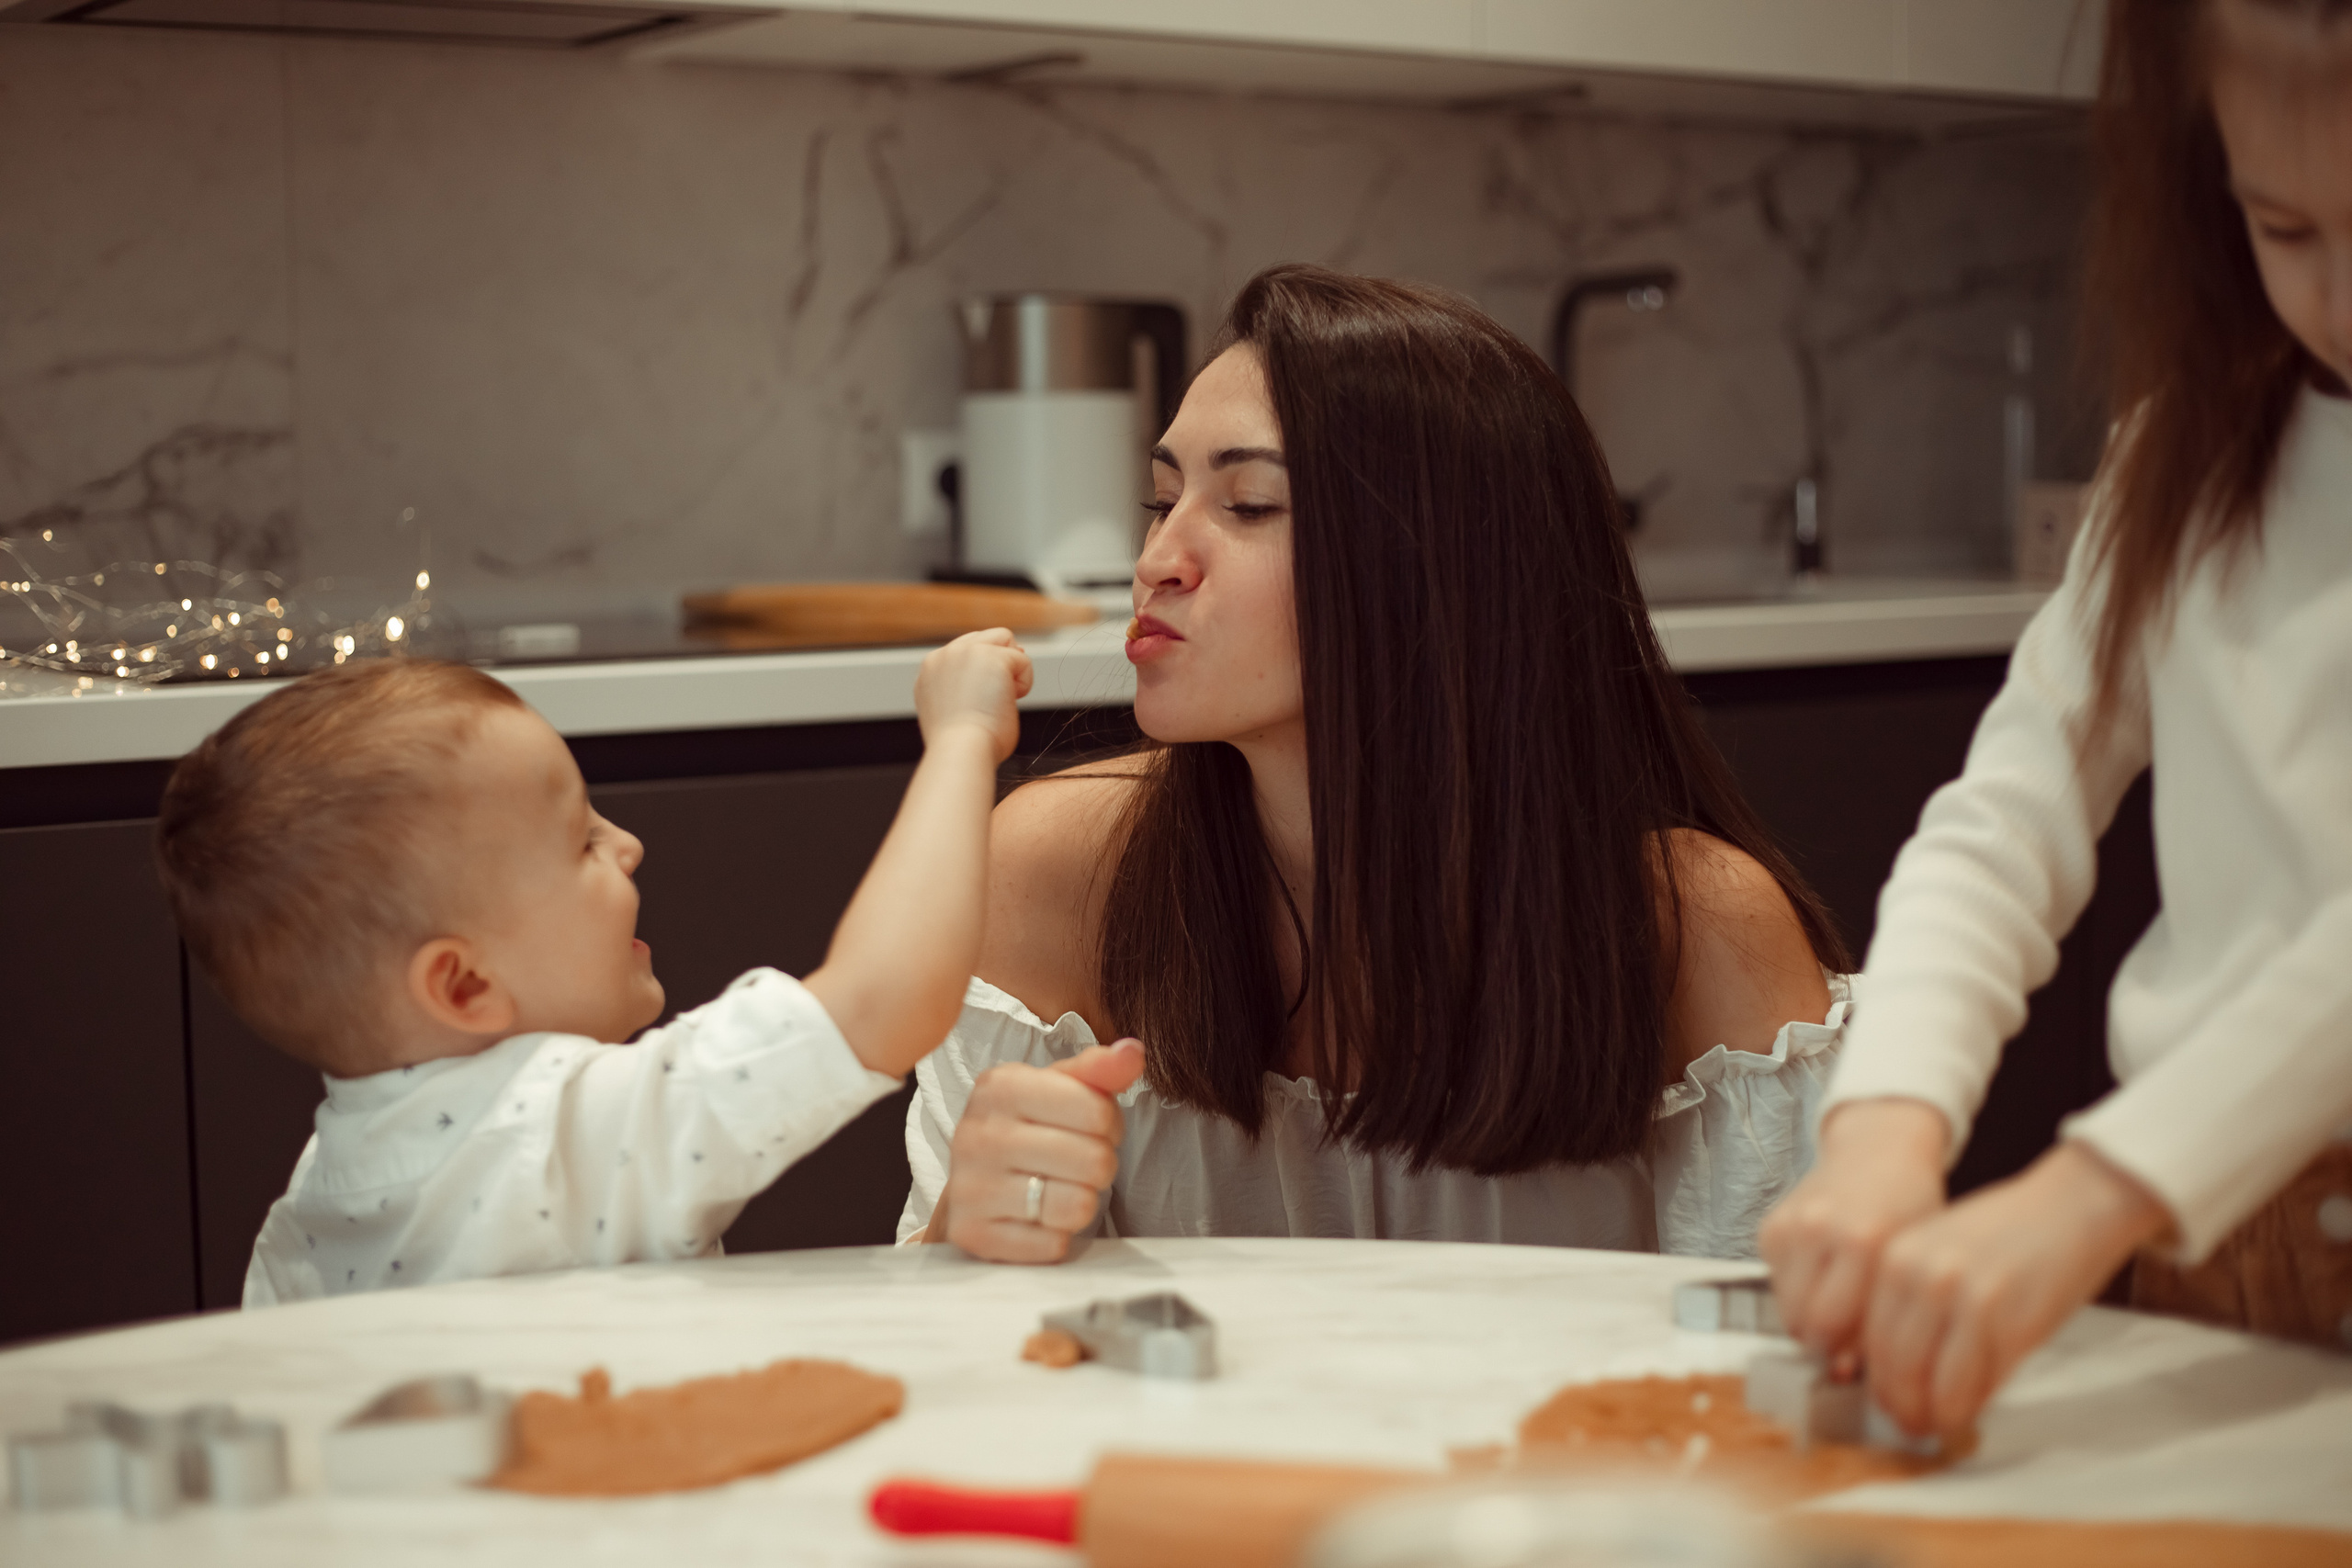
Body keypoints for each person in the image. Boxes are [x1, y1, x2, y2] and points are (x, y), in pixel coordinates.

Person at [899, 263, 1853, 1265]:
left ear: (1440, 568)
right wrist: (968, 1228)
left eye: (1250, 504)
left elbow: (1792, 1367)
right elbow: (944, 1345)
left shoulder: (1699, 930)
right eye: (1162, 497)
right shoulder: (1052, 873)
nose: (1158, 558)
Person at [1761, 0, 2352, 1440]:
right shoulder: (2195, 446)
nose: (2345, 301)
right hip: (2218, 1240)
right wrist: (1886, 1124)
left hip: (2154, 1180)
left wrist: (2090, 1191)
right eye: (2287, 229)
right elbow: (2007, 814)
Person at [153, 632, 1033, 1303]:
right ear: (462, 985)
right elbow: (887, 996)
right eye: (581, 840)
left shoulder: (314, 1202)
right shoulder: (560, 1138)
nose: (631, 846)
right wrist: (960, 738)